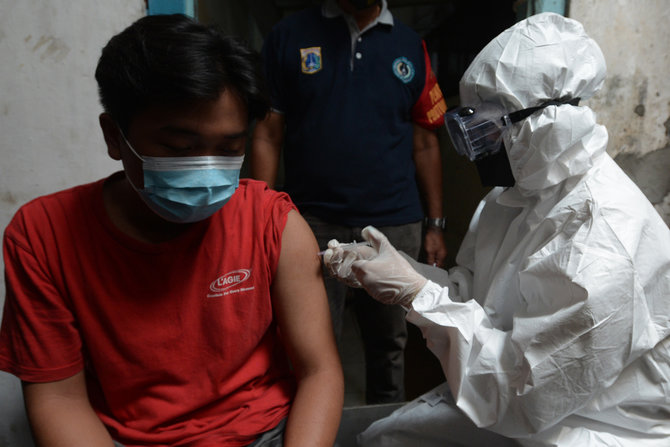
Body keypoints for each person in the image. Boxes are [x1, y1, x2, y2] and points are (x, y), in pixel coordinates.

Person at [324, 12, 670, 447]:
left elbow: (523, 392)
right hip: (519, 399)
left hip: (600, 424)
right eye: (467, 130)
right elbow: (477, 299)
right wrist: (408, 273)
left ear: (548, 122)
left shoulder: (601, 238)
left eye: (485, 130)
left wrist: (417, 294)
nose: (475, 151)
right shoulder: (514, 199)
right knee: (384, 439)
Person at [0, 14, 344, 447]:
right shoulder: (42, 236)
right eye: (179, 149)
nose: (204, 169)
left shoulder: (272, 223)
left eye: (229, 149)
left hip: (265, 434)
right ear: (114, 137)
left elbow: (319, 370)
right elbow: (59, 400)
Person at [251, 0, 448, 404]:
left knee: (389, 344)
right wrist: (260, 217)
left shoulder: (411, 46)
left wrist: (435, 224)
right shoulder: (289, 36)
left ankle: (384, 425)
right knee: (311, 342)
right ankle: (321, 427)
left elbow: (426, 143)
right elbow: (267, 135)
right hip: (311, 222)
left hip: (394, 223)